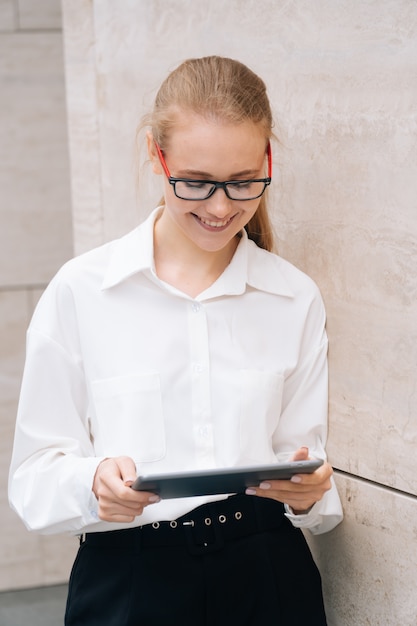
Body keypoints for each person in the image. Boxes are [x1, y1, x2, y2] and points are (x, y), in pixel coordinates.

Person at [9, 56, 343, 625]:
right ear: (154, 155)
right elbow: (33, 476)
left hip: (267, 576)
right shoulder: (83, 291)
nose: (220, 207)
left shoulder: (294, 296)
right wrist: (92, 484)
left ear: (268, 161)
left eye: (243, 183)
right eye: (195, 182)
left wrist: (310, 492)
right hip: (129, 581)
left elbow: (300, 458)